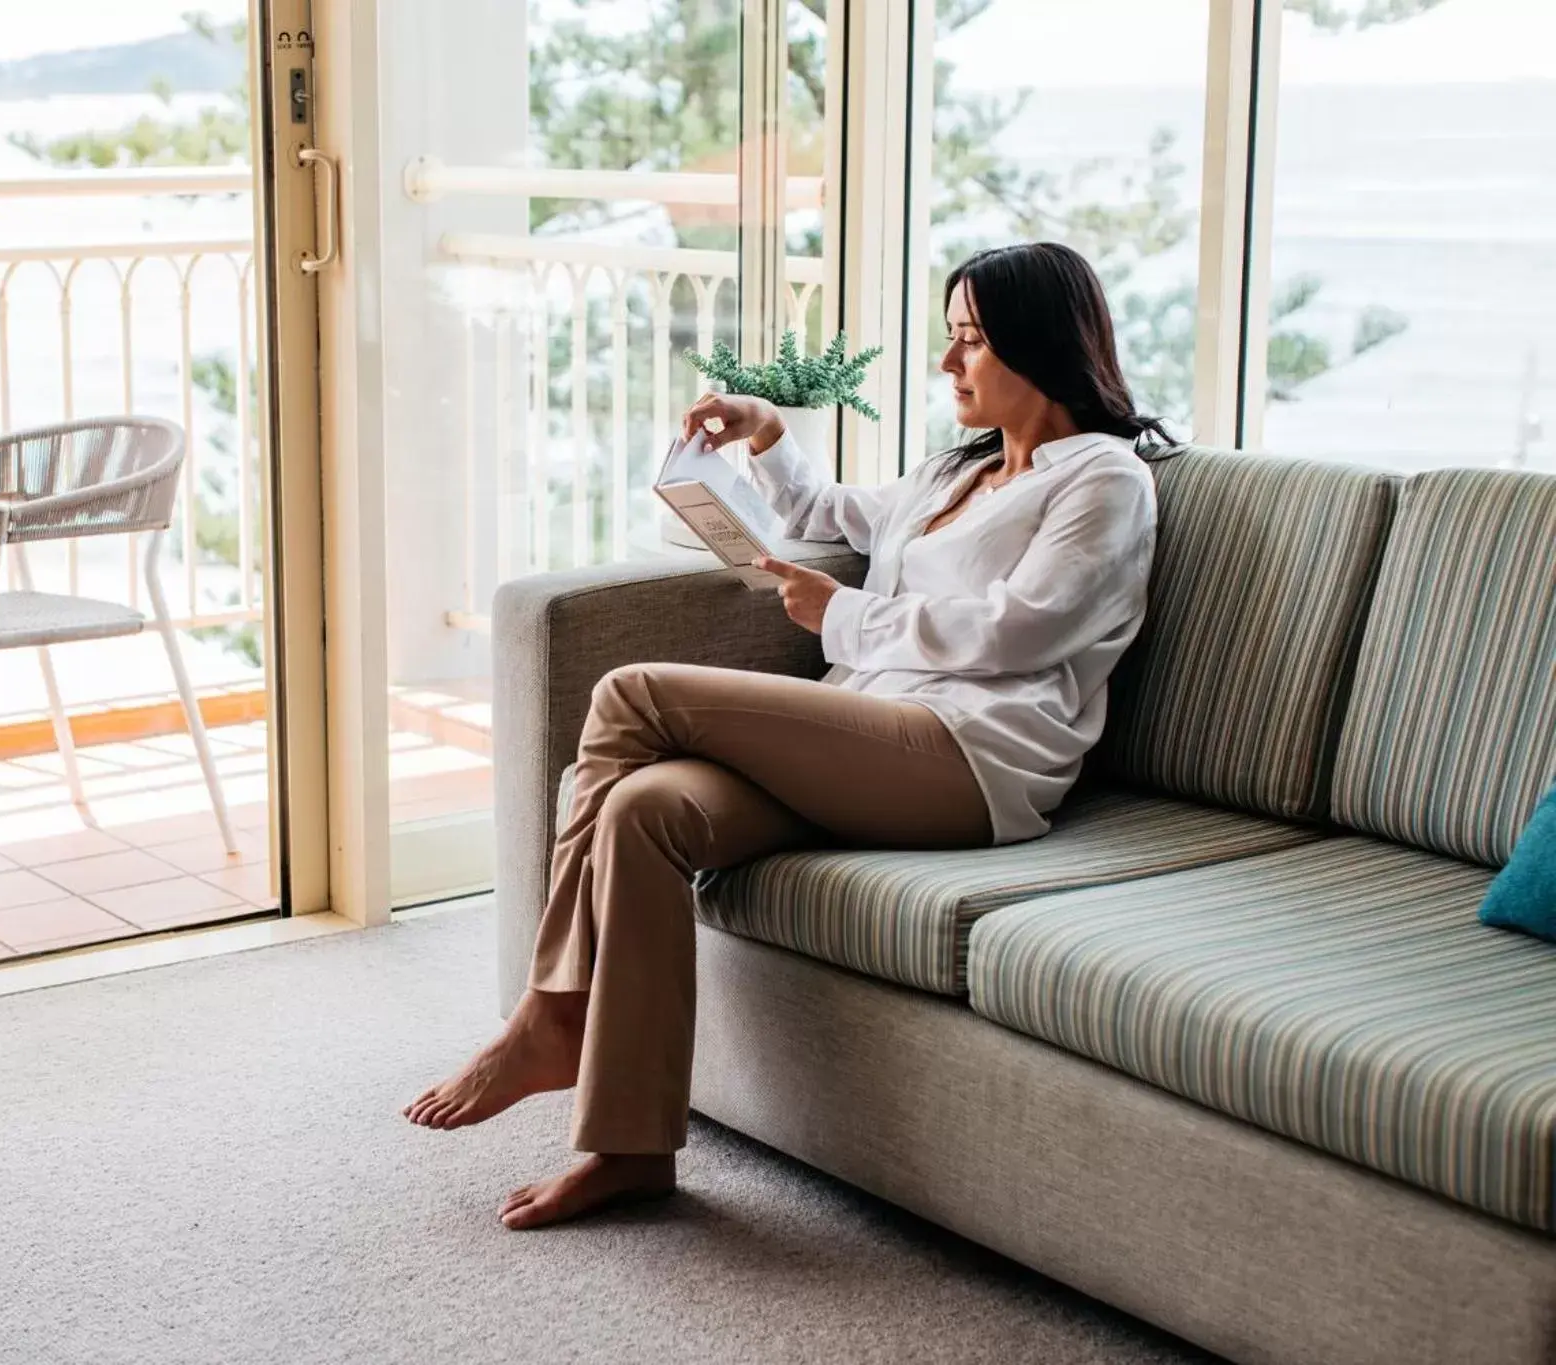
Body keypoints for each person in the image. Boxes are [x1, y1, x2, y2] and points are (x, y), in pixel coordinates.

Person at [404, 240, 1171, 1230]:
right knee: (644, 810)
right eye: (948, 339)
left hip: (967, 759)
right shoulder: (956, 470)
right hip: (868, 738)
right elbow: (834, 512)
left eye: (969, 342)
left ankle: (553, 1010)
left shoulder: (1102, 483)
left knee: (632, 693)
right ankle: (628, 1150)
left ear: (1039, 347)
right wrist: (763, 434)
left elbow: (1023, 628)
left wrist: (843, 615)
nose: (947, 366)